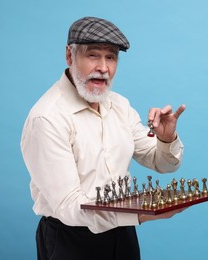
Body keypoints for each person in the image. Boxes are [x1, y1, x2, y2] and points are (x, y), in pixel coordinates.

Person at [21, 16, 186, 260]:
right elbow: (68, 207)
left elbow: (162, 163)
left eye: (111, 57)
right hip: (71, 240)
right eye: (93, 55)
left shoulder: (119, 105)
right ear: (69, 56)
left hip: (123, 234)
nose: (103, 67)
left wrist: (165, 138)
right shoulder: (46, 118)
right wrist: (141, 214)